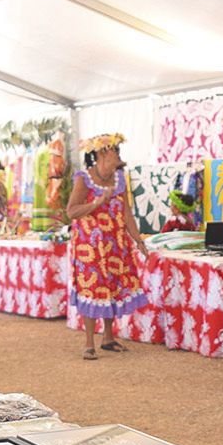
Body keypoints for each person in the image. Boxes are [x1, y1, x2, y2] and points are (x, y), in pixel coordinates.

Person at [66, 132, 149, 359]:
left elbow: (126, 212)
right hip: (90, 248)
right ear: (102, 154)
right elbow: (72, 211)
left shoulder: (120, 178)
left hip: (115, 243)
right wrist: (97, 202)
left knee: (113, 287)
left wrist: (138, 240)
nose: (119, 155)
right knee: (93, 290)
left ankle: (109, 337)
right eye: (115, 150)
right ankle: (89, 342)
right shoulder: (84, 178)